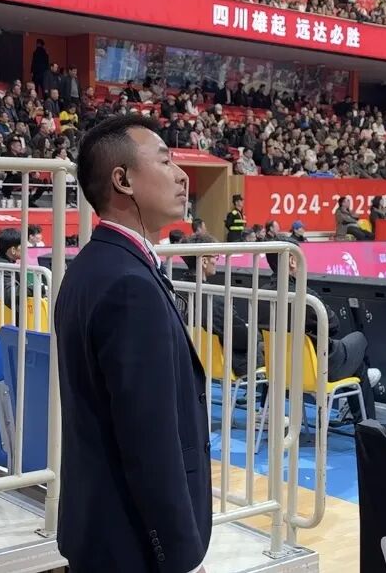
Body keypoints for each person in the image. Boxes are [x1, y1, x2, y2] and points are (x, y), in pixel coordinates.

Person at [54, 114, 211, 573]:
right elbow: (149, 440)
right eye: (164, 161)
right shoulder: (129, 285)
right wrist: (180, 557)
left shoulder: (92, 267)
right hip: (133, 546)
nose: (182, 176)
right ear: (122, 180)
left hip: (101, 530)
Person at [259, 236, 379, 422]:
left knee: (358, 365)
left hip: (281, 370)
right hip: (319, 368)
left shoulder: (261, 294)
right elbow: (334, 326)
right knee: (359, 340)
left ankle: (363, 412)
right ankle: (367, 426)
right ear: (292, 260)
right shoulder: (305, 297)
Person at [179, 233, 264, 377]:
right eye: (215, 257)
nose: (216, 261)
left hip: (188, 361)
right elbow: (243, 340)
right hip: (226, 365)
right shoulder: (214, 300)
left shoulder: (176, 291)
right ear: (204, 261)